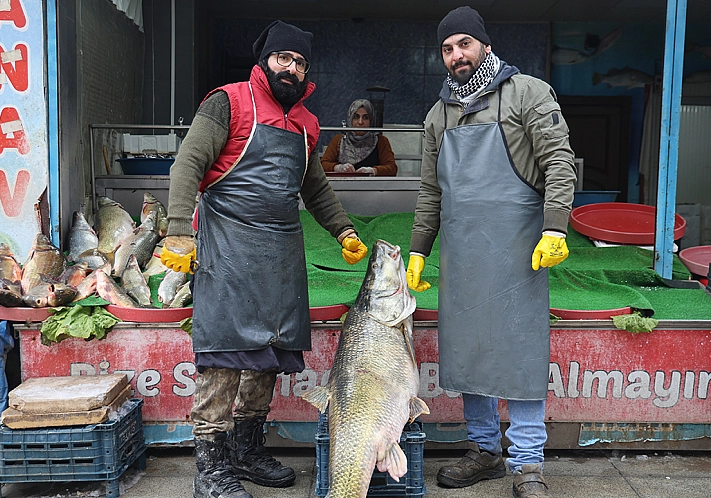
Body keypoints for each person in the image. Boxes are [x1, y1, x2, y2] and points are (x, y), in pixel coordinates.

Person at [159, 20, 368, 498]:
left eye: (299, 63)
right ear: (264, 60)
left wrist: (344, 230)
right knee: (224, 354)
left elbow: (312, 186)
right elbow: (188, 163)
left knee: (268, 355)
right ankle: (210, 470)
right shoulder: (228, 102)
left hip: (280, 252)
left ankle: (247, 451)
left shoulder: (307, 124)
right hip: (228, 248)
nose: (291, 69)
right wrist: (176, 232)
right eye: (283, 59)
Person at [406, 6, 576, 498]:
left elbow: (559, 163)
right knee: (470, 352)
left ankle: (528, 463)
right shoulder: (438, 116)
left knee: (521, 355)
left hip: (521, 252)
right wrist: (420, 248)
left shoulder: (528, 94)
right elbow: (429, 193)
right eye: (447, 48)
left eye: (463, 43)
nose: (456, 55)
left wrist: (556, 228)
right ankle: (484, 450)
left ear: (483, 43)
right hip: (462, 255)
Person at [321, 99, 398, 176]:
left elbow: (392, 168)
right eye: (356, 117)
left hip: (372, 187)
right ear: (350, 119)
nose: (360, 122)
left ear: (371, 121)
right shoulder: (338, 140)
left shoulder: (381, 141)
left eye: (365, 117)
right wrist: (338, 168)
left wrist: (373, 170)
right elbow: (323, 165)